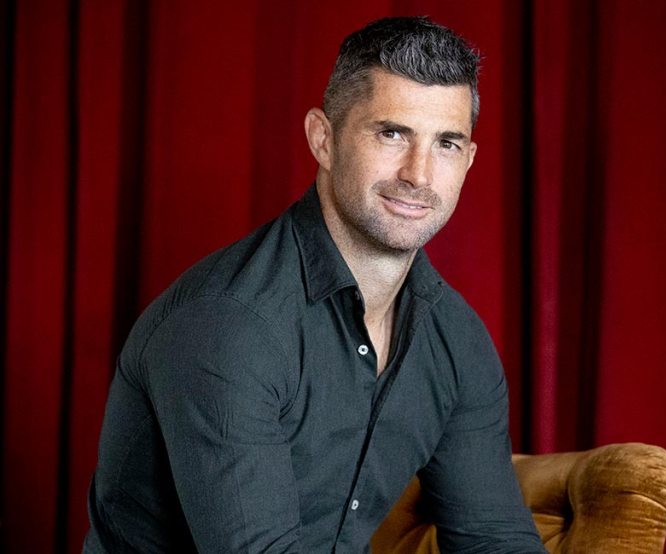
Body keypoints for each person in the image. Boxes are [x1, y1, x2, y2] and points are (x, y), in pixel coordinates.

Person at [84, 16, 545, 553]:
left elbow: (495, 538)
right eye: (392, 133)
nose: (418, 175)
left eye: (446, 143)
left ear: (468, 160)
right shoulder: (228, 324)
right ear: (323, 139)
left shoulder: (455, 340)